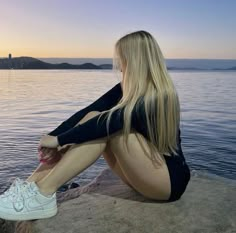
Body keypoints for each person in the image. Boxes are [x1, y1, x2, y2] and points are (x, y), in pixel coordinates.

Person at [0, 30, 191, 221]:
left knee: (109, 128)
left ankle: (44, 193)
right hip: (144, 173)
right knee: (93, 116)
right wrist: (54, 136)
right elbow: (89, 111)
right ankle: (30, 186)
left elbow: (111, 123)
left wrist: (60, 140)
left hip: (167, 182)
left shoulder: (158, 95)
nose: (119, 63)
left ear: (135, 58)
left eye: (122, 57)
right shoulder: (127, 88)